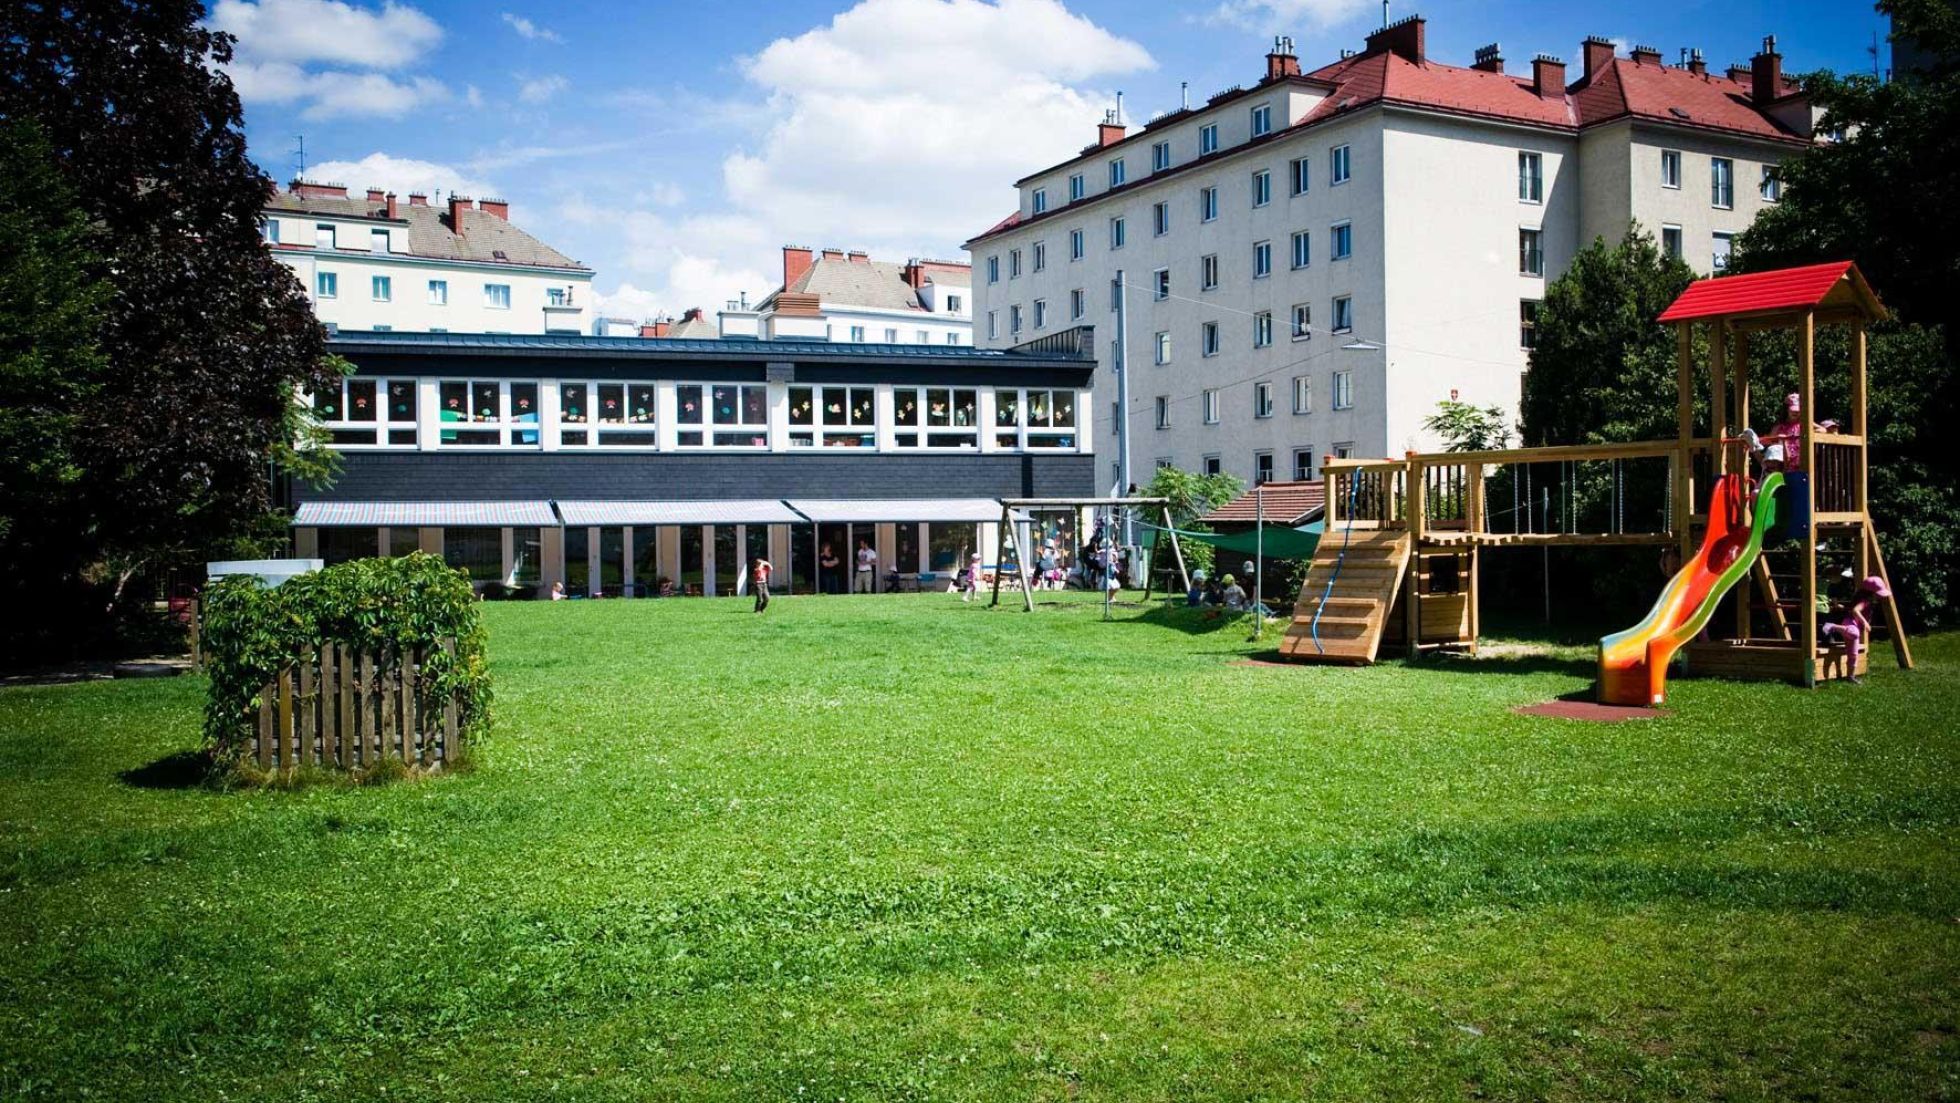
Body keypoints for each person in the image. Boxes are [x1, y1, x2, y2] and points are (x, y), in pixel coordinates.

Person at [1821, 575, 1888, 683]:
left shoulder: (1866, 601)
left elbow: (1850, 608)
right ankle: (1832, 626)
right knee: (1855, 633)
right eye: (1877, 594)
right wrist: (1865, 623)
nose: (1879, 597)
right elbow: (1855, 611)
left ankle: (1850, 676)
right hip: (1850, 623)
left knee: (1853, 654)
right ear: (1871, 593)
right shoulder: (1864, 601)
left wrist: (1840, 607)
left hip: (1853, 626)